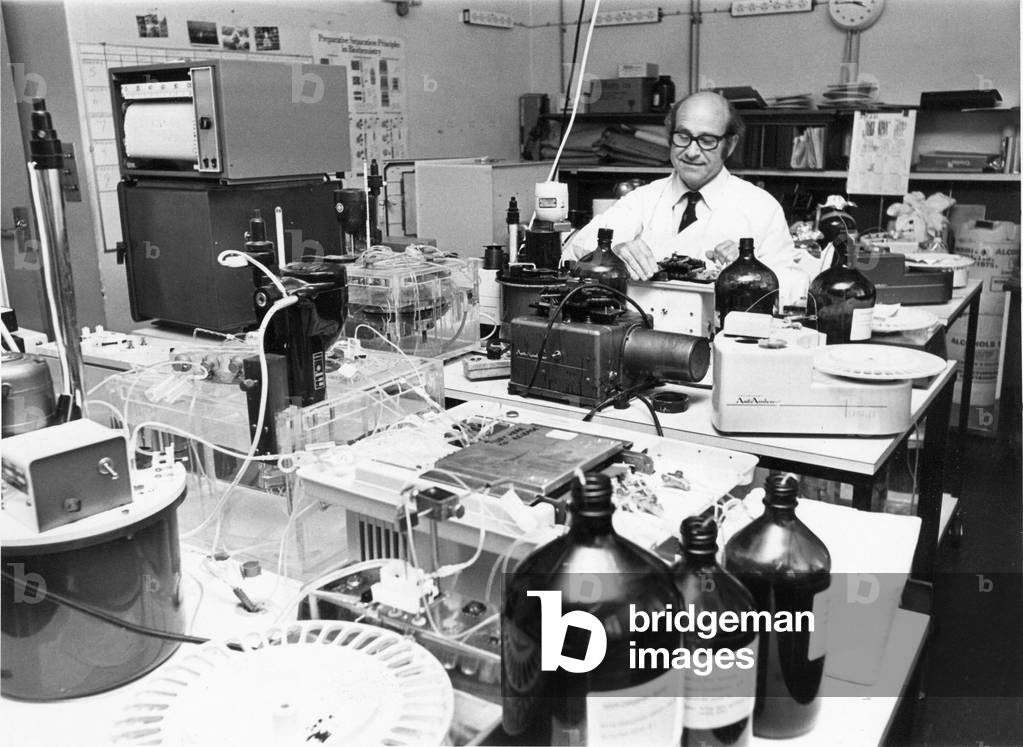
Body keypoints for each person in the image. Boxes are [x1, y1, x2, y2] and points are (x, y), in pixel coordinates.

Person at [562, 91, 804, 303]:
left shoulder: (760, 207)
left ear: (730, 145)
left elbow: (796, 288)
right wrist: (612, 251)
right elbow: (573, 251)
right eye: (683, 136)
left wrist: (747, 273)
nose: (692, 151)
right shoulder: (644, 198)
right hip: (640, 335)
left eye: (707, 140)